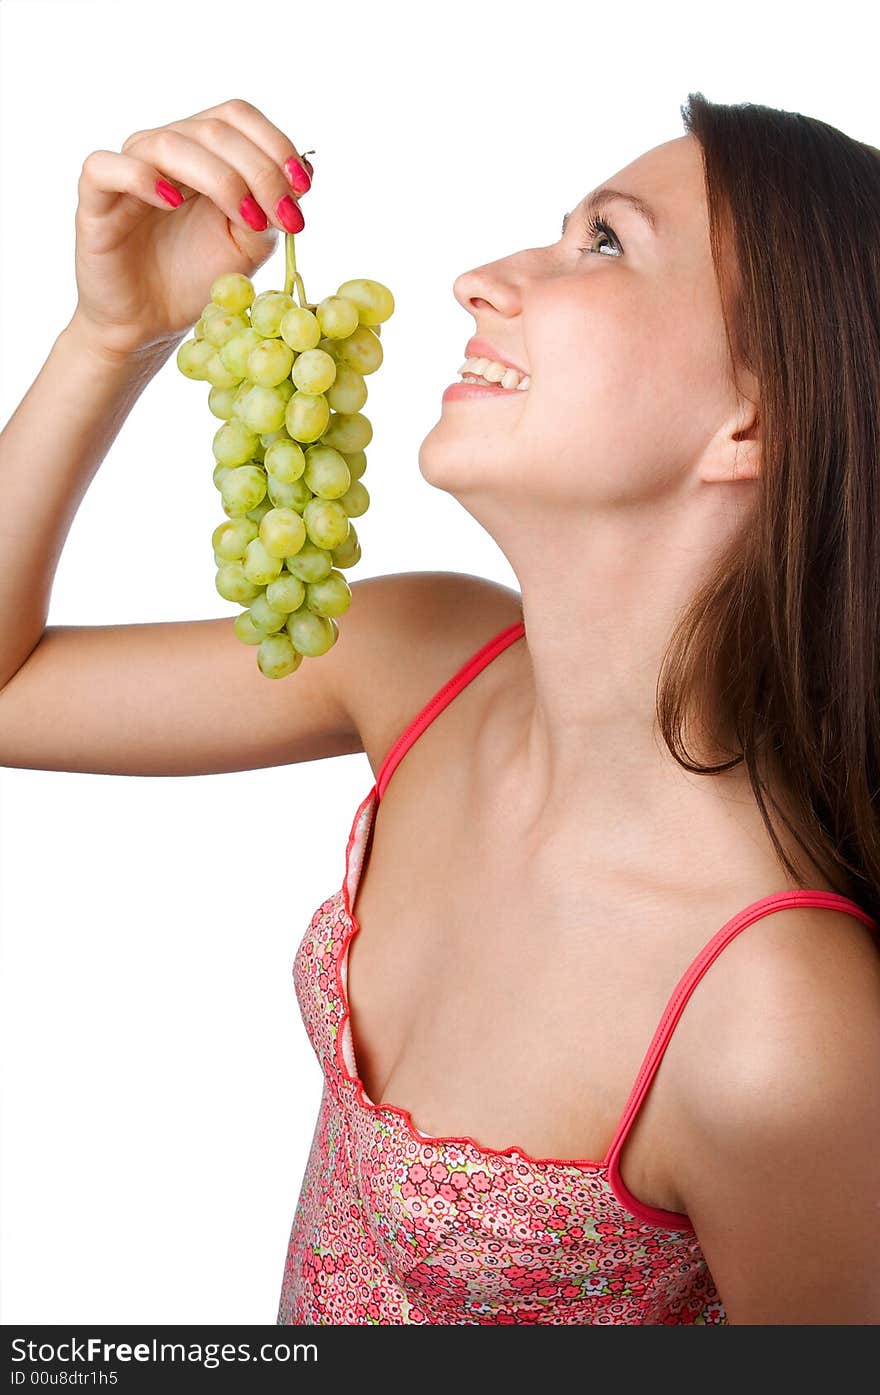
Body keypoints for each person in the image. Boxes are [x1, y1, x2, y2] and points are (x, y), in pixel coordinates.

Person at [1, 93, 878, 1326]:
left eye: (606, 242)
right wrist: (113, 337)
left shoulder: (777, 1025)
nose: (479, 280)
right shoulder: (419, 654)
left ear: (754, 417)